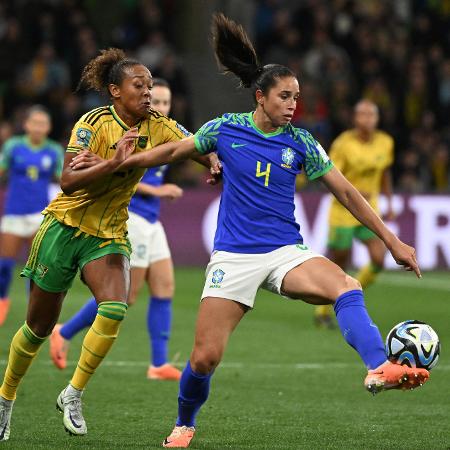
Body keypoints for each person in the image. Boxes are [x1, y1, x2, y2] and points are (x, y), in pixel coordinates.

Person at [70, 15, 429, 449]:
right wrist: (116, 162)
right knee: (204, 358)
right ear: (261, 97)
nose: (293, 104)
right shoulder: (226, 129)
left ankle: (378, 366)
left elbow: (348, 194)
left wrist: (391, 240)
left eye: (296, 97)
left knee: (346, 285)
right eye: (284, 96)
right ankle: (184, 423)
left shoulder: (302, 142)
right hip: (234, 257)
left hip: (284, 251)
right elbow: (173, 149)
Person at [0, 48, 218, 442]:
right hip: (64, 228)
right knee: (37, 327)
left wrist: (214, 161)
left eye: (151, 86)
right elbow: (68, 181)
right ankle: (5, 397)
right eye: (140, 86)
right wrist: (114, 161)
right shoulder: (93, 123)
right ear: (115, 91)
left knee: (116, 306)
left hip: (109, 234)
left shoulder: (157, 124)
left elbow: (194, 142)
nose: (148, 93)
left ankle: (73, 393)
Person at [49, 78, 184, 381]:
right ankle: (65, 331)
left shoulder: (165, 133)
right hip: (130, 217)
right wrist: (158, 192)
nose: (160, 107)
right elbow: (119, 175)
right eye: (157, 101)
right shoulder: (134, 132)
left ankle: (158, 363)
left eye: (166, 102)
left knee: (165, 287)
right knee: (128, 295)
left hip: (152, 221)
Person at [315, 100, 395, 328]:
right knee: (340, 260)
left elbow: (385, 174)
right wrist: (354, 191)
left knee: (379, 260)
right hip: (344, 209)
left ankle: (349, 294)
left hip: (370, 211)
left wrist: (389, 203)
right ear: (355, 118)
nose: (367, 119)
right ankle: (322, 308)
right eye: (363, 114)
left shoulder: (385, 142)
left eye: (371, 115)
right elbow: (329, 174)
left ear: (377, 119)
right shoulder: (343, 144)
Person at [0, 106, 64, 326]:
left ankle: (34, 309)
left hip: (40, 215)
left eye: (42, 123)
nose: (38, 127)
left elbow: (64, 180)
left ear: (48, 127)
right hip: (14, 213)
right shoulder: (13, 146)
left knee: (36, 269)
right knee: (5, 265)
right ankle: (2, 302)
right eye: (34, 123)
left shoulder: (54, 151)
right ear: (26, 125)